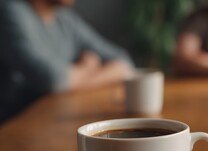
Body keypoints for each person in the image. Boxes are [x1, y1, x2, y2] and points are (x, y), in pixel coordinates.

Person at [0, 0, 134, 123]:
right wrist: (86, 68)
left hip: (55, 120)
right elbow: (52, 80)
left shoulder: (65, 19)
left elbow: (124, 63)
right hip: (13, 128)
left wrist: (77, 78)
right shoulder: (10, 10)